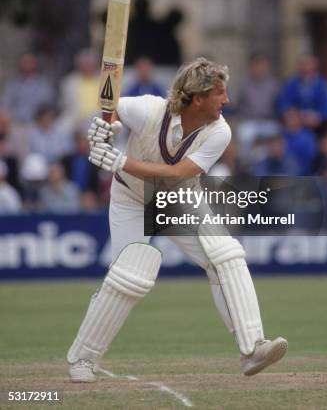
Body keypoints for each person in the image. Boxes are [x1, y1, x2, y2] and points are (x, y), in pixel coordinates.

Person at [67, 58, 287, 382]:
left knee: (225, 254)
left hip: (178, 198)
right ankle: (83, 360)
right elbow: (111, 107)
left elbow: (176, 173)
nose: (226, 100)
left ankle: (252, 348)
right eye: (220, 93)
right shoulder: (149, 109)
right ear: (198, 97)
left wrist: (121, 160)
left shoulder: (219, 131)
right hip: (131, 198)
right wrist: (108, 126)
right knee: (127, 277)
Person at [277, 54, 327, 131]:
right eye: (304, 64)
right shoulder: (290, 84)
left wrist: (319, 117)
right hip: (295, 121)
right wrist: (294, 115)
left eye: (309, 64)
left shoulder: (322, 84)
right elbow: (283, 102)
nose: (307, 68)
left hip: (318, 123)